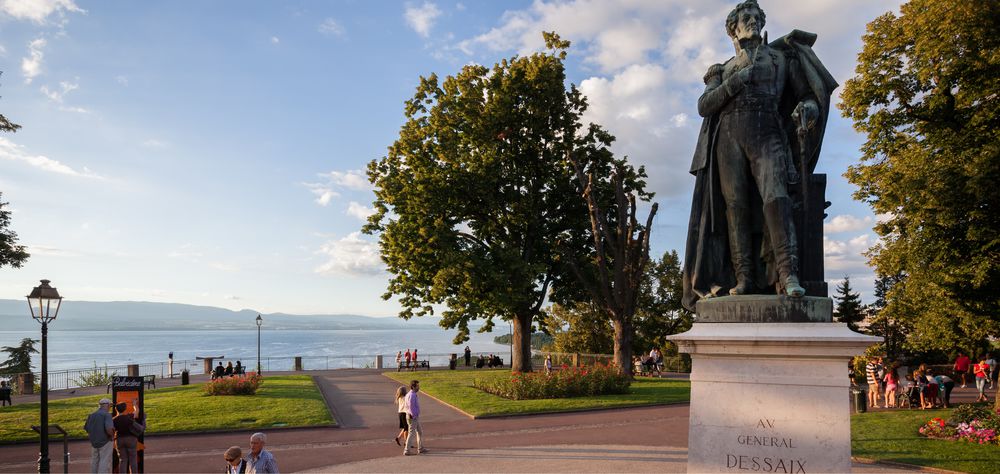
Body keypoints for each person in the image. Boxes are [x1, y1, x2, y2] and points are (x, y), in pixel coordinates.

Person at [681, 0, 837, 307]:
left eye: (756, 17)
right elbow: (704, 106)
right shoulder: (721, 69)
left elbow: (807, 95)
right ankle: (744, 278)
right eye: (746, 18)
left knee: (776, 199)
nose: (753, 21)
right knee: (735, 207)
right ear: (733, 29)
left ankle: (788, 274)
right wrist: (738, 79)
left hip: (768, 130)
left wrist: (808, 108)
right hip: (728, 137)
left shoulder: (781, 58)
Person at [84, 398, 114, 473]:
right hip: (105, 441)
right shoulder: (107, 415)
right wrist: (112, 436)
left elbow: (87, 428)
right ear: (106, 405)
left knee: (95, 461)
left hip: (94, 442)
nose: (110, 407)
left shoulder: (91, 415)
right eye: (110, 406)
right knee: (104, 461)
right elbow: (109, 429)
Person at [113, 402, 144, 474]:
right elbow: (137, 412)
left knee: (122, 460)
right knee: (133, 460)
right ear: (125, 409)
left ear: (116, 409)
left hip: (119, 440)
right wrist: (134, 404)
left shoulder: (114, 419)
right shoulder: (129, 417)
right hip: (131, 439)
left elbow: (112, 430)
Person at [402, 380, 426, 456]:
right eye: (417, 386)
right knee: (411, 433)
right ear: (413, 387)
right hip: (413, 417)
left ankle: (420, 448)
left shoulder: (410, 394)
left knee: (420, 432)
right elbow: (411, 407)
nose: (419, 387)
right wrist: (415, 415)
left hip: (413, 416)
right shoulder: (412, 395)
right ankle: (406, 450)